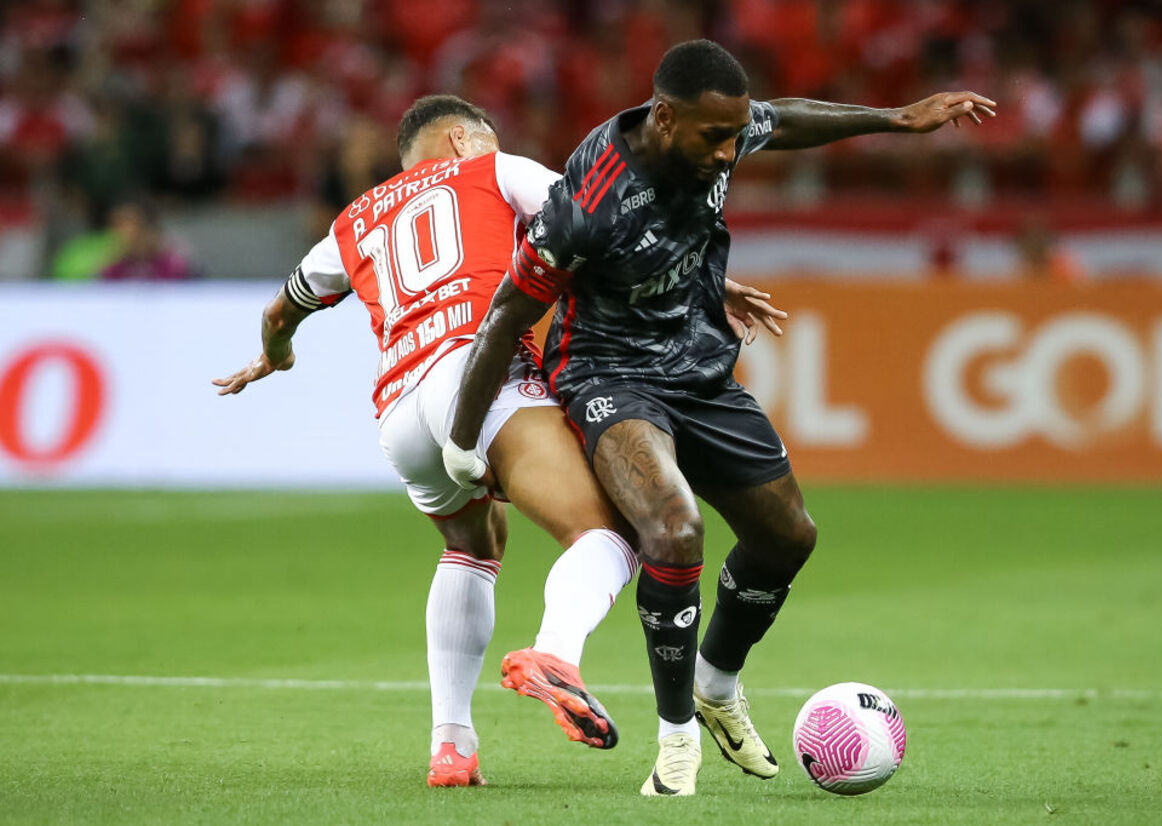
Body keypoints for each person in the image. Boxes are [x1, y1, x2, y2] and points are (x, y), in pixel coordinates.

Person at [444, 40, 996, 797]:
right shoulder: (589, 201)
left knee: (788, 537)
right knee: (674, 529)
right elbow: (508, 315)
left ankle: (715, 685)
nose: (729, 152)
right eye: (715, 138)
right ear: (665, 118)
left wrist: (896, 119)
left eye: (736, 136)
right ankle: (676, 743)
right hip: (609, 372)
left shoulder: (719, 131)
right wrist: (462, 440)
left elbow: (785, 120)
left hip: (698, 363)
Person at [212, 94, 785, 788]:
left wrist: (275, 357)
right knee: (614, 532)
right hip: (478, 377)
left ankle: (451, 745)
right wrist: (708, 285)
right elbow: (604, 222)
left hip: (400, 412)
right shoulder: (494, 169)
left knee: (472, 546)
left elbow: (281, 311)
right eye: (486, 136)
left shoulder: (354, 220)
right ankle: (555, 653)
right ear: (460, 139)